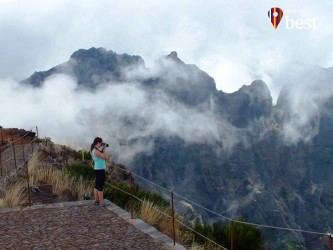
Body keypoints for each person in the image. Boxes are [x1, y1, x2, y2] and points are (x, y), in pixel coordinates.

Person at [90, 137, 108, 206]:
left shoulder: (94, 150)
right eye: (101, 143)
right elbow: (105, 157)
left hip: (97, 169)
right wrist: (104, 149)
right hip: (100, 170)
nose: (101, 145)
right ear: (98, 143)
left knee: (97, 185)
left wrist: (102, 149)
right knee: (100, 186)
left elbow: (101, 156)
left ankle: (96, 200)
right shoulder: (96, 151)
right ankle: (101, 202)